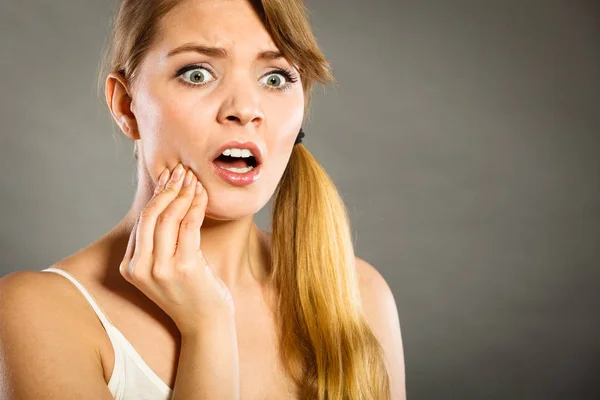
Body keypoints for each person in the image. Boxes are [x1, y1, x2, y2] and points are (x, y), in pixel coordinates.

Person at [0, 0, 405, 399]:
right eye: (197, 73)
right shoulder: (38, 314)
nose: (245, 109)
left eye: (276, 78)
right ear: (126, 106)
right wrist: (207, 328)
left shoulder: (360, 293)